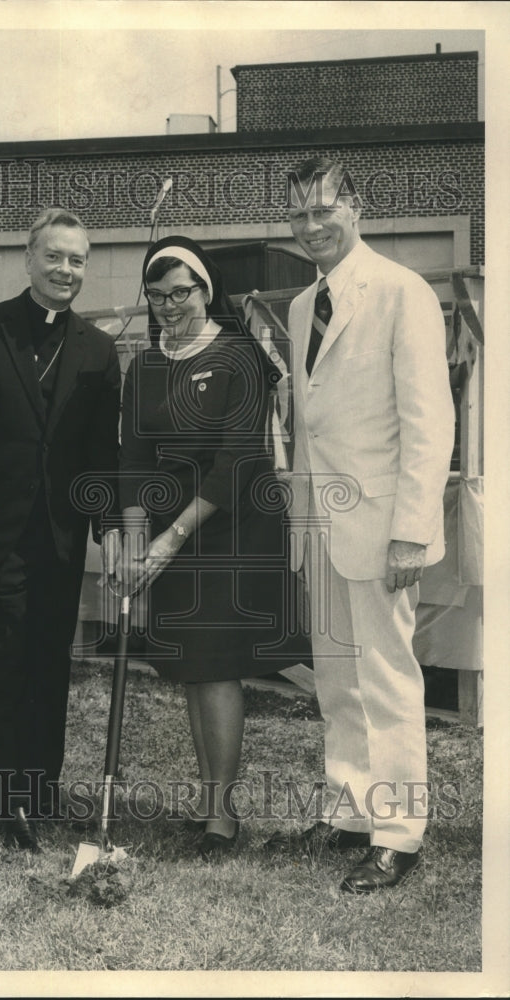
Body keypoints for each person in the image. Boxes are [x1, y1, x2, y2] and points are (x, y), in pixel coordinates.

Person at [265, 156, 455, 892]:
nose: (311, 227)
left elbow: (427, 420)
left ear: (357, 209)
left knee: (387, 680)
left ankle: (400, 833)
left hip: (381, 528)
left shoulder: (402, 293)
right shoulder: (302, 305)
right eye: (298, 215)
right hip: (322, 527)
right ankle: (349, 811)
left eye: (323, 211)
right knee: (337, 681)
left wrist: (412, 529)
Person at [0, 207, 121, 852]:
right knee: (1, 663)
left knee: (48, 664)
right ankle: (10, 800)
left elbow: (101, 453)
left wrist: (109, 527)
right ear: (29, 258)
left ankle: (42, 786)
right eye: (56, 257)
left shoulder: (97, 348)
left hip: (61, 540)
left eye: (78, 260)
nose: (67, 270)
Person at [118, 235, 307, 861]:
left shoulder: (239, 355)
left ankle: (223, 818)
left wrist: (171, 537)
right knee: (193, 670)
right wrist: (136, 532)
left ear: (207, 290)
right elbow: (136, 457)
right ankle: (207, 801)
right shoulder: (145, 365)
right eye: (158, 294)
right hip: (171, 533)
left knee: (217, 666)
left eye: (182, 293)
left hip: (227, 529)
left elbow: (238, 459)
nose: (170, 306)